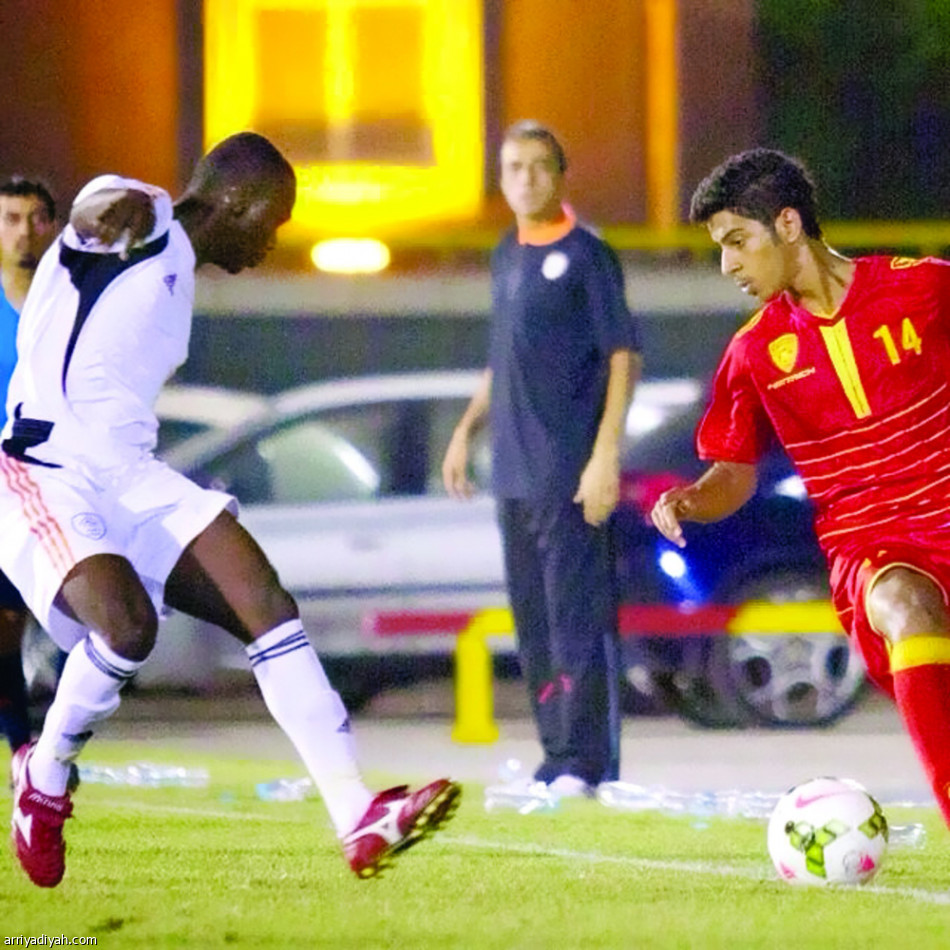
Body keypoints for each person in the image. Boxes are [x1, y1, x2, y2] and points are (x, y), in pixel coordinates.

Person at [2, 131, 460, 888]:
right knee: (127, 631)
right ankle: (44, 776)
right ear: (239, 203)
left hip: (131, 475)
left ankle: (357, 814)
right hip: (46, 467)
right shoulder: (145, 213)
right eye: (273, 223)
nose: (272, 243)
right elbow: (98, 210)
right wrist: (103, 216)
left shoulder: (180, 273)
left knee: (267, 603)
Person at [651, 147, 950, 831]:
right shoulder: (754, 352)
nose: (728, 266)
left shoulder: (926, 290)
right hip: (873, 550)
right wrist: (692, 499)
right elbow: (733, 472)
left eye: (736, 242)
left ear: (787, 224)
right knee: (908, 605)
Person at [443, 121, 641, 796]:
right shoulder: (505, 253)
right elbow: (505, 362)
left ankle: (590, 761)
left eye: (537, 166)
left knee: (577, 615)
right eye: (513, 167)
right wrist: (466, 429)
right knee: (534, 621)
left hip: (569, 469)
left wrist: (604, 455)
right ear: (501, 179)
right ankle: (555, 756)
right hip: (515, 473)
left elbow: (623, 353)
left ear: (560, 175)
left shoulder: (588, 256)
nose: (525, 177)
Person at [0, 179, 57, 756]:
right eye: (12, 218)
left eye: (37, 219)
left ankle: (47, 746)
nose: (24, 232)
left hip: (51, 483)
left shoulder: (64, 303)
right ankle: (24, 746)